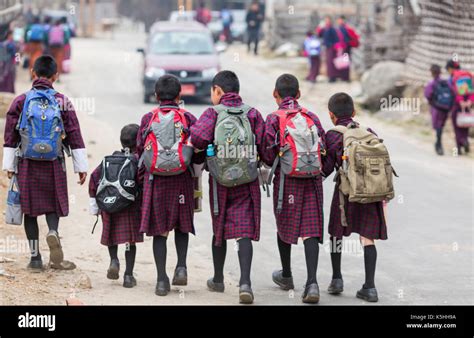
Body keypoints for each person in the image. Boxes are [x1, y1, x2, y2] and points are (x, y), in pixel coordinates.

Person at [2, 55, 88, 271]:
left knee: (30, 211)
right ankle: (53, 232)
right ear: (55, 76)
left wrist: (9, 165)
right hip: (53, 162)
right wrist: (81, 167)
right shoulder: (62, 101)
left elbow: (10, 135)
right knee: (53, 203)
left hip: (27, 163)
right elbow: (74, 134)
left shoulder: (21, 101)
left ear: (33, 73)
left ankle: (35, 258)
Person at [190, 70, 265, 304]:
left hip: (220, 179)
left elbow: (198, 140)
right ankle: (245, 283)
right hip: (248, 177)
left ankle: (218, 278)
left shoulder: (213, 113)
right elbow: (266, 146)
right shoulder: (253, 113)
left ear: (217, 91)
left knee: (219, 225)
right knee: (243, 229)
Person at [262, 74, 326, 303]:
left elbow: (268, 156)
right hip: (312, 179)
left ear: (275, 95)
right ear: (299, 94)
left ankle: (287, 274)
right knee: (311, 228)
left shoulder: (273, 118)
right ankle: (312, 283)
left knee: (284, 224)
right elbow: (324, 149)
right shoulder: (312, 117)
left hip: (287, 181)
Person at [136, 75, 200, 296]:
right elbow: (198, 147)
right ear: (179, 95)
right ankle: (181, 266)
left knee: (159, 231)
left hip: (156, 181)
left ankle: (162, 280)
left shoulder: (147, 118)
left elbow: (139, 150)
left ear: (156, 96)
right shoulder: (187, 117)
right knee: (182, 225)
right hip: (182, 178)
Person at [322, 92, 388, 303]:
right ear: (354, 112)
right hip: (370, 194)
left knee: (335, 233)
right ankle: (370, 287)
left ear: (331, 115)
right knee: (368, 238)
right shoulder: (369, 132)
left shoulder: (332, 135)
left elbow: (325, 169)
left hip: (346, 194)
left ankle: (336, 279)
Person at [89, 124, 144, 288]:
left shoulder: (109, 159)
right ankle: (128, 275)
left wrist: (95, 205)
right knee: (129, 241)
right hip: (129, 206)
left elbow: (94, 179)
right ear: (138, 142)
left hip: (109, 204)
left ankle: (114, 260)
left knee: (112, 236)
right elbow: (141, 183)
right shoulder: (137, 161)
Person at [424, 64, 454, 155]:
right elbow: (453, 93)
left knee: (438, 127)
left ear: (432, 73)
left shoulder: (432, 84)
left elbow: (427, 95)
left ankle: (438, 144)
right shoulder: (446, 82)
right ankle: (438, 144)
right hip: (445, 108)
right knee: (441, 126)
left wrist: (431, 102)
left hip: (436, 108)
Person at [446, 60, 470, 155]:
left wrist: (460, 101)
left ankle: (459, 147)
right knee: (465, 125)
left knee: (457, 127)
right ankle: (465, 140)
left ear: (451, 69)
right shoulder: (467, 76)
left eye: (448, 69)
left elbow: (455, 92)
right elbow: (471, 91)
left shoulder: (453, 78)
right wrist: (469, 101)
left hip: (456, 105)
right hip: (467, 105)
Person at [317, 16, 349, 82]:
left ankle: (334, 77)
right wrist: (320, 27)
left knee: (332, 63)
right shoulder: (325, 28)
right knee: (329, 63)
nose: (327, 22)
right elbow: (319, 34)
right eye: (326, 20)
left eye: (328, 20)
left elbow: (336, 38)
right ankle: (331, 76)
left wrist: (336, 46)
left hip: (334, 48)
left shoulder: (333, 29)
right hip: (328, 47)